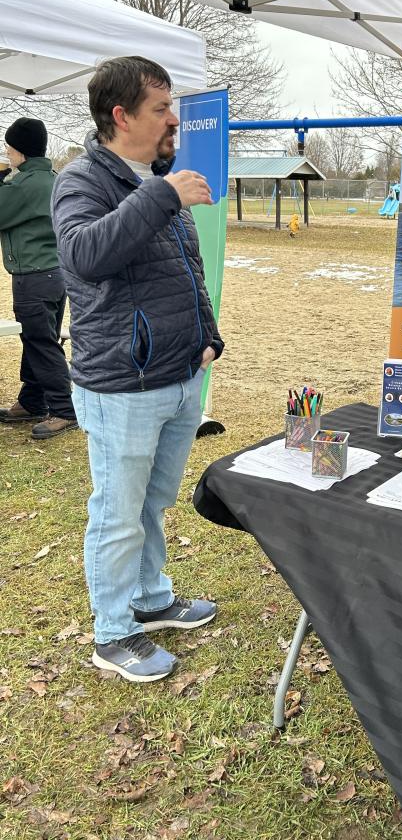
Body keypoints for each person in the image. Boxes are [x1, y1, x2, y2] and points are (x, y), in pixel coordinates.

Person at [52, 56, 224, 683]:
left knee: (152, 503)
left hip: (178, 376)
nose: (173, 117)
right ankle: (113, 632)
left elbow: (183, 270)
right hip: (122, 384)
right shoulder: (82, 181)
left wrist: (208, 339)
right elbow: (84, 255)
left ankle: (151, 601)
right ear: (121, 116)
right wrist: (160, 195)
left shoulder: (155, 178)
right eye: (160, 107)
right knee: (119, 512)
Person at [0, 118, 76, 438]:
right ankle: (33, 400)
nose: (6, 152)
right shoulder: (53, 178)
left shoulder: (23, 184)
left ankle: (64, 409)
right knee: (38, 337)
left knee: (40, 341)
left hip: (32, 275)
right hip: (56, 274)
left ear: (21, 151)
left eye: (9, 147)